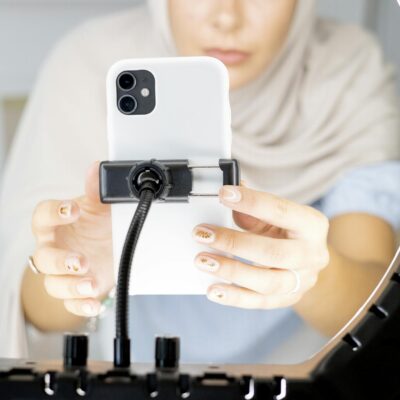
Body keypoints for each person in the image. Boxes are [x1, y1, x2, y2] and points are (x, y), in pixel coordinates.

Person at [0, 0, 399, 363]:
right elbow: (29, 307)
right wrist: (82, 273)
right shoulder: (90, 62)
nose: (227, 17)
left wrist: (312, 276)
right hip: (137, 377)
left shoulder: (347, 70)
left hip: (303, 381)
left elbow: (377, 311)